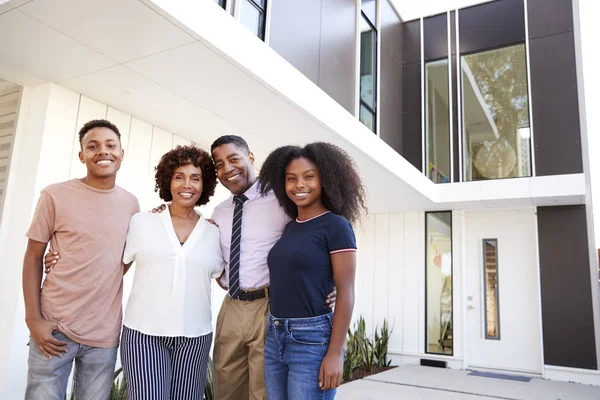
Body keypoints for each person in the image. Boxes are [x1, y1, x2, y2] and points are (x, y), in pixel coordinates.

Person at [153, 135, 335, 400]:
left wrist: (331, 285)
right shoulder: (219, 213)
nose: (227, 168)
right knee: (226, 388)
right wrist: (164, 213)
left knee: (262, 391)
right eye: (219, 164)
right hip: (232, 306)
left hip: (270, 304)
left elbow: (318, 237)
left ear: (250, 158)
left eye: (234, 159)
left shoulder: (282, 200)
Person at [22, 119, 140, 399]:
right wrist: (33, 320)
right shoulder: (55, 195)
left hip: (104, 334)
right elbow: (33, 257)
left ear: (122, 153)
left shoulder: (131, 204)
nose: (103, 151)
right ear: (82, 155)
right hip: (54, 328)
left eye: (111, 145)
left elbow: (128, 255)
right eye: (93, 146)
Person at [258, 142, 366, 399]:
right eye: (291, 179)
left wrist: (335, 353)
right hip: (275, 335)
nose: (299, 185)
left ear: (325, 180)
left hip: (312, 340)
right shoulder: (289, 228)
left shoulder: (336, 226)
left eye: (309, 177)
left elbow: (346, 291)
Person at [119, 145, 223, 399]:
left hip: (194, 337)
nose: (187, 185)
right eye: (179, 176)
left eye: (195, 178)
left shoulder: (213, 232)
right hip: (144, 334)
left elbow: (227, 277)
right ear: (168, 180)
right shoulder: (142, 222)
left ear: (204, 184)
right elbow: (113, 268)